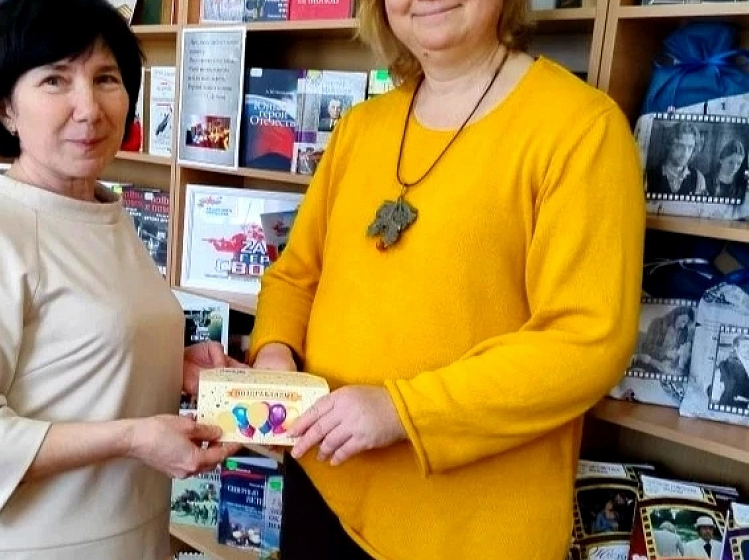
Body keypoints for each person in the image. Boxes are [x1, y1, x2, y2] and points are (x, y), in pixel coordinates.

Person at [246, 0, 645, 556]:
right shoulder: (360, 127)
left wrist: (403, 411)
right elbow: (294, 276)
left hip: (467, 527)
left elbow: (586, 341)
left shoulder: (581, 129)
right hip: (322, 486)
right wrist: (274, 354)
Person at [0, 1, 242, 558]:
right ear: (5, 108)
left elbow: (72, 351)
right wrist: (131, 437)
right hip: (23, 546)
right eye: (55, 80)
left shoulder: (105, 211)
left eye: (106, 78)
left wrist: (168, 363)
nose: (89, 108)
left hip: (126, 531)